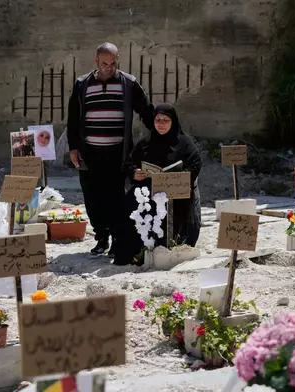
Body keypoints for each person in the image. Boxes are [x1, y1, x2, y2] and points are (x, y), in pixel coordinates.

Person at [67, 42, 155, 256]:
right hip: (90, 152)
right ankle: (101, 238)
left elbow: (146, 110)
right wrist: (74, 148)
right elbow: (73, 119)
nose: (109, 67)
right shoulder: (82, 84)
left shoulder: (128, 83)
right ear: (96, 61)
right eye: (104, 63)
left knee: (116, 197)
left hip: (119, 152)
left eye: (113, 63)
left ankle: (117, 239)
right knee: (93, 196)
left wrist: (160, 132)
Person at [113, 103, 202, 266]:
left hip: (176, 193)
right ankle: (136, 252)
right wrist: (135, 173)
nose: (161, 124)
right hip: (149, 190)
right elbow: (129, 163)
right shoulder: (146, 142)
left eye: (165, 120)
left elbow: (195, 165)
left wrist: (179, 178)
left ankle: (172, 247)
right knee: (129, 205)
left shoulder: (185, 144)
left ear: (173, 122)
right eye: (158, 120)